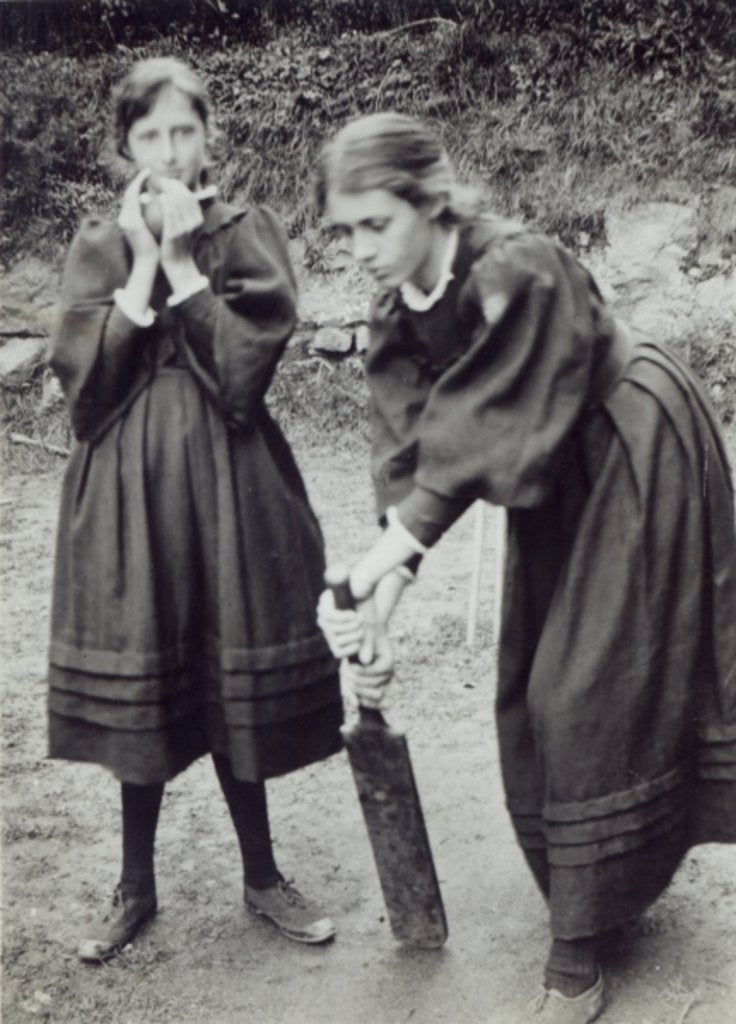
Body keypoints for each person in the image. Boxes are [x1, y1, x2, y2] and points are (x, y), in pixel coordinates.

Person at [314, 112, 736, 1023]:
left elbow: (490, 435)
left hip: (630, 450)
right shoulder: (397, 312)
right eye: (345, 231)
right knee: (530, 691)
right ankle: (601, 896)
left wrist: (384, 559)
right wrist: (376, 609)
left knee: (585, 693)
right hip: (551, 480)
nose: (359, 249)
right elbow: (419, 468)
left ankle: (576, 960)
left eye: (375, 223)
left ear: (428, 200)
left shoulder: (518, 267)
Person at [47, 57, 343, 962]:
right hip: (129, 499)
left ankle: (262, 876)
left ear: (210, 134)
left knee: (228, 672)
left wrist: (181, 262)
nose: (169, 152)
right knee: (148, 670)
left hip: (230, 485)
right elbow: (88, 401)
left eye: (184, 131)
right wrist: (139, 265)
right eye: (149, 136)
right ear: (123, 147)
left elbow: (245, 380)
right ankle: (135, 887)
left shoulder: (247, 233)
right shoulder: (98, 243)